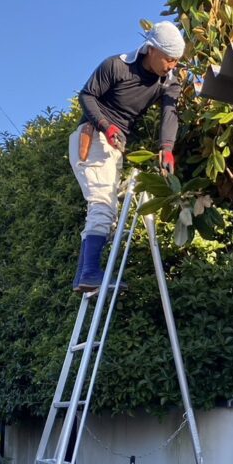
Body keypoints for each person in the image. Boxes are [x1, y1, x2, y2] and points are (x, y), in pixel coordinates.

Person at [68, 21, 186, 292]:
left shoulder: (167, 81)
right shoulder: (117, 66)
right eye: (169, 59)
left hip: (114, 146)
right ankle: (89, 273)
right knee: (102, 205)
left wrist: (167, 147)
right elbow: (87, 96)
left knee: (105, 209)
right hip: (93, 136)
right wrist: (105, 126)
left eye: (177, 61)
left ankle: (84, 276)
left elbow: (170, 112)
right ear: (152, 49)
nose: (172, 66)